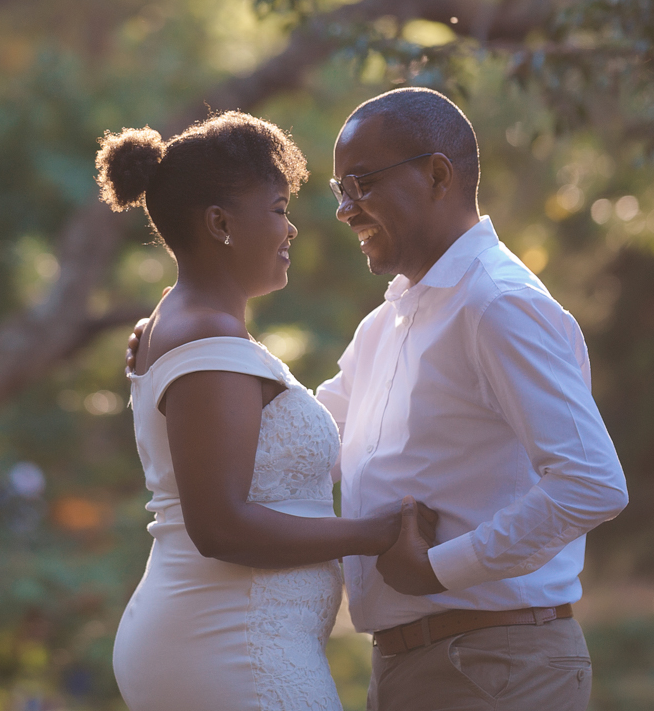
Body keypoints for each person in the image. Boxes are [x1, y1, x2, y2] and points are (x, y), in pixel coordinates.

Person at [98, 112, 435, 711]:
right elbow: (219, 526)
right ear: (221, 223)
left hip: (224, 639)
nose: (292, 229)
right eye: (279, 208)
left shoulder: (183, 327)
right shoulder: (206, 341)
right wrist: (372, 534)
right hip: (232, 649)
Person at [315, 87, 629, 711]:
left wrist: (438, 569)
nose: (346, 209)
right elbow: (312, 435)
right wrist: (195, 350)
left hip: (496, 667)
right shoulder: (385, 324)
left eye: (362, 184)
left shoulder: (497, 303)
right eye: (340, 191)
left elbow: (592, 482)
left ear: (437, 175)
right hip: (416, 664)